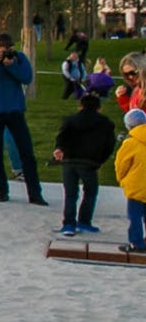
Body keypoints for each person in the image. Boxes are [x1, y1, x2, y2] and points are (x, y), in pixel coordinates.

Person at [0, 31, 46, 206]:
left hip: (15, 109)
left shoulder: (19, 57)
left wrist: (11, 66)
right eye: (1, 48)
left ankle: (35, 193)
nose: (4, 51)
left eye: (7, 48)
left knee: (26, 151)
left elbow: (27, 78)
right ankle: (2, 191)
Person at [53, 93, 118, 237]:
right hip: (89, 163)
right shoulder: (105, 123)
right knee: (90, 192)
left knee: (70, 194)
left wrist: (59, 149)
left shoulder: (70, 120)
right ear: (99, 108)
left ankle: (68, 224)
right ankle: (84, 221)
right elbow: (109, 145)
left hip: (69, 161)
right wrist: (100, 161)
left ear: (80, 106)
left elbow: (61, 137)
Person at [118, 108, 146, 254]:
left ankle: (137, 243)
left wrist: (122, 179)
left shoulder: (130, 142)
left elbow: (121, 164)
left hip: (136, 186)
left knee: (134, 216)